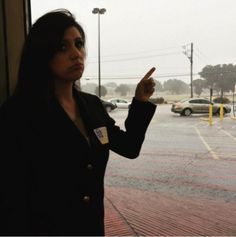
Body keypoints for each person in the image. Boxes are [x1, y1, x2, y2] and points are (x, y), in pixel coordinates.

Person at [0, 9, 156, 236]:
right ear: (42, 54)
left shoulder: (92, 105)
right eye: (63, 47)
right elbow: (11, 199)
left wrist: (140, 102)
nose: (76, 54)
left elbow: (129, 147)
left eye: (79, 44)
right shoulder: (18, 114)